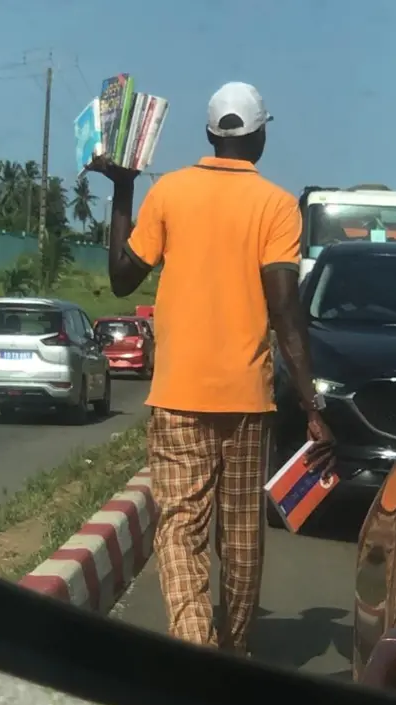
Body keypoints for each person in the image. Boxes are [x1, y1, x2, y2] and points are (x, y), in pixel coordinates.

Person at [87, 81, 335, 655]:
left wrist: (124, 191)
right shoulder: (276, 207)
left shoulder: (169, 192)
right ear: (260, 136)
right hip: (247, 401)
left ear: (208, 135)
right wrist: (313, 406)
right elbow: (286, 312)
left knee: (180, 529)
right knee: (242, 534)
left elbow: (122, 277)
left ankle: (194, 649)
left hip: (176, 396)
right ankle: (234, 652)